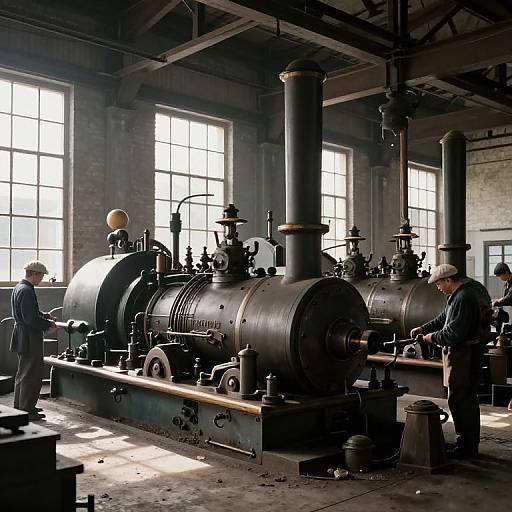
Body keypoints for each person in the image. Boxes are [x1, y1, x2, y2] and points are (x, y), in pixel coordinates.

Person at [410, 263, 482, 458]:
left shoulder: (464, 298)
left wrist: (430, 338)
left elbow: (453, 333)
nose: (438, 287)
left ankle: (467, 447)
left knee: (461, 400)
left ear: (449, 280)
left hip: (463, 356)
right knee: (460, 399)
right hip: (460, 355)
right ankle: (466, 444)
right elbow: (443, 319)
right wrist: (423, 328)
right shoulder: (456, 297)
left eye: (439, 283)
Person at [10, 261, 56, 421]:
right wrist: (48, 325)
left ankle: (21, 407)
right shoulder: (27, 290)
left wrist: (44, 315)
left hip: (22, 334)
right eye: (41, 276)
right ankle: (27, 409)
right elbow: (30, 319)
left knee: (23, 372)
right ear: (34, 274)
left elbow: (28, 313)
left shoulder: (19, 287)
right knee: (32, 373)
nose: (42, 279)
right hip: (29, 336)